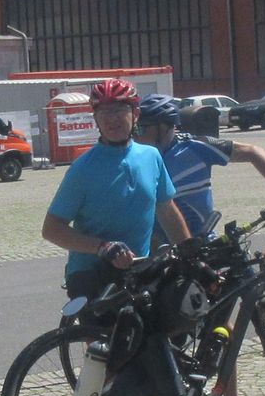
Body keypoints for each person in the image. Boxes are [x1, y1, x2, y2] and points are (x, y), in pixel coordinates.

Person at [135, 93, 265, 396]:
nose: (137, 133)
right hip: (164, 254)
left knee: (222, 324)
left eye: (144, 127)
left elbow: (252, 152)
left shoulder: (195, 147)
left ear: (165, 127)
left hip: (205, 248)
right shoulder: (140, 158)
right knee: (169, 329)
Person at [41, 78, 187, 299]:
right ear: (95, 119)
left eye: (119, 110)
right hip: (91, 274)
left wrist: (190, 252)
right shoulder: (83, 169)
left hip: (138, 269)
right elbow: (52, 229)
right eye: (104, 112)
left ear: (135, 113)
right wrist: (102, 247)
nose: (112, 119)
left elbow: (167, 211)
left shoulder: (151, 156)